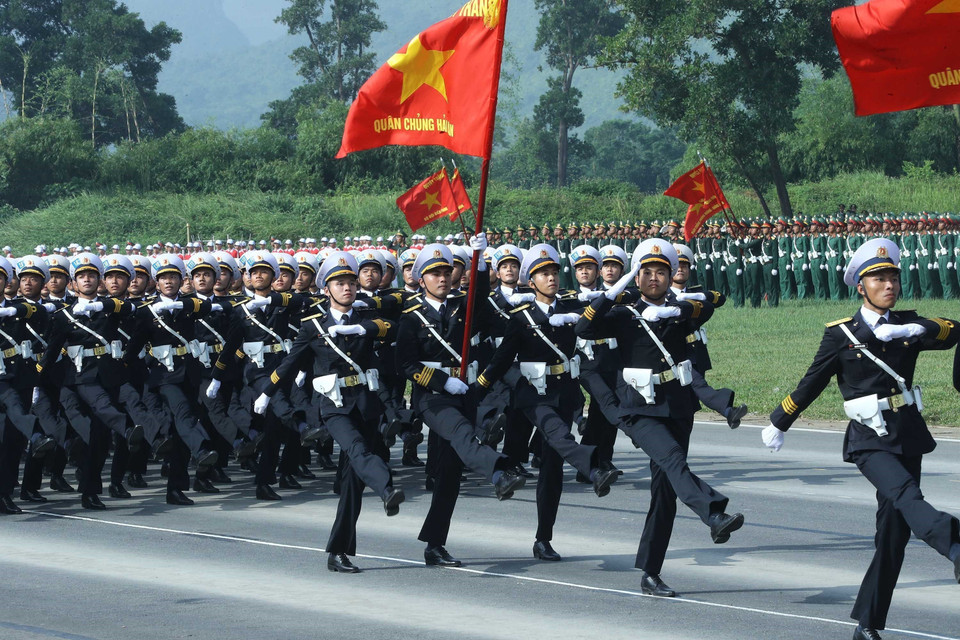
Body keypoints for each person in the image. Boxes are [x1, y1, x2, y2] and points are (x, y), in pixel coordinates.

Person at [763, 238, 960, 640]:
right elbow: (813, 380)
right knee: (907, 496)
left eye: (893, 277)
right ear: (861, 286)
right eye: (879, 279)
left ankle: (867, 624)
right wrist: (780, 420)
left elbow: (953, 331)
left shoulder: (907, 323)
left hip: (907, 434)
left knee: (893, 534)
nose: (889, 285)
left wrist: (914, 326)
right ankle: (955, 544)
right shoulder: (842, 334)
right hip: (868, 439)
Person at [576, 239, 746, 597]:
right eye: (647, 272)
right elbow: (584, 328)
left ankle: (650, 573)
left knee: (665, 491)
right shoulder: (623, 315)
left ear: (671, 276)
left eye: (662, 271)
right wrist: (614, 293)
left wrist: (678, 307)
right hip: (639, 409)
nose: (654, 278)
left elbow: (712, 303)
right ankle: (713, 513)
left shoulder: (678, 311)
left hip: (678, 407)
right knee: (672, 459)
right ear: (636, 277)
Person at [256, 251, 405, 573]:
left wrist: (363, 330)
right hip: (334, 406)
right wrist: (266, 393)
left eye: (351, 282)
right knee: (357, 449)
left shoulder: (365, 318)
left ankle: (337, 552)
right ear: (326, 289)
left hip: (366, 403)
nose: (348, 288)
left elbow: (395, 328)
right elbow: (289, 362)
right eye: (340, 283)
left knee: (351, 484)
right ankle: (387, 488)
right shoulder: (313, 325)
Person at [477, 243, 622, 561]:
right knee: (559, 434)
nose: (551, 277)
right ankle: (593, 466)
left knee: (552, 469)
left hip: (565, 391)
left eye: (554, 271)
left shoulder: (570, 306)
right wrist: (479, 388)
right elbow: (502, 359)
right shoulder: (520, 316)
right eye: (543, 273)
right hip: (534, 394)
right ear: (531, 280)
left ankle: (543, 538)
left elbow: (596, 316)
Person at [396, 239, 527, 567]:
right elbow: (407, 364)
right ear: (421, 278)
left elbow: (480, 299)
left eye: (446, 272)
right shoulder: (412, 317)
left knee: (450, 475)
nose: (442, 278)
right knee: (463, 435)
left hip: (465, 393)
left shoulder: (461, 307)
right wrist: (441, 381)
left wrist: (480, 261)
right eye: (434, 273)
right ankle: (499, 473)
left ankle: (434, 545)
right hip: (434, 398)